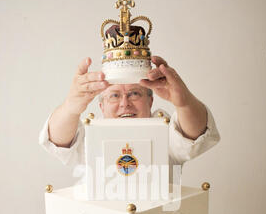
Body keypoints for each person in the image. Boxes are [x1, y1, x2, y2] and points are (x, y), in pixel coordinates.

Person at [39, 55, 220, 178]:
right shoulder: (91, 134)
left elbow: (194, 136)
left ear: (150, 102)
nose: (125, 103)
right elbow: (58, 142)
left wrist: (185, 102)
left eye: (134, 94)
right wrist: (70, 107)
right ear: (101, 106)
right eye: (115, 95)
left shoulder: (163, 130)